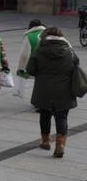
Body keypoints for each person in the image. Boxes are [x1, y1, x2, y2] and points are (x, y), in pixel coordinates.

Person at [25, 27, 77, 157]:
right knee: (62, 117)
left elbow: (30, 69)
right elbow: (76, 65)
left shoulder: (39, 50)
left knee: (45, 115)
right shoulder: (69, 51)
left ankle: (46, 141)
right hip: (64, 90)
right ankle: (60, 145)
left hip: (43, 89)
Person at [15, 19, 45, 100]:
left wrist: (21, 68)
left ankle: (39, 101)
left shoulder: (30, 36)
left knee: (39, 83)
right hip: (51, 62)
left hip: (37, 63)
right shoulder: (49, 33)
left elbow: (24, 54)